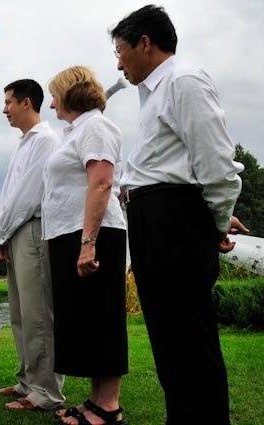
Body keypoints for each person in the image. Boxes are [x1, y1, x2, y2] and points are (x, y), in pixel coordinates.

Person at [110, 5, 247, 424]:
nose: (118, 62)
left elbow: (217, 165)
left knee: (189, 339)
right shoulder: (151, 95)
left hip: (174, 222)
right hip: (155, 219)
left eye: (121, 51)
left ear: (145, 44)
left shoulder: (183, 82)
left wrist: (216, 222)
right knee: (169, 340)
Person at [44, 66, 128, 425]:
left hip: (94, 232)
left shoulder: (96, 126)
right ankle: (95, 401)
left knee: (102, 316)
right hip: (69, 232)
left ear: (70, 94)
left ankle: (109, 406)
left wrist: (88, 242)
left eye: (54, 95)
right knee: (85, 319)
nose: (51, 103)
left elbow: (101, 183)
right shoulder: (74, 131)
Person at [0, 79, 65, 411]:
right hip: (17, 230)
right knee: (19, 313)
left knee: (38, 314)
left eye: (8, 102)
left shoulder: (46, 140)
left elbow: (29, 195)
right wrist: (1, 233)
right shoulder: (24, 143)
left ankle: (46, 391)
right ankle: (27, 380)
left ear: (26, 103)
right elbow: (10, 194)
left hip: (33, 229)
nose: (4, 109)